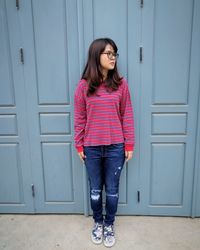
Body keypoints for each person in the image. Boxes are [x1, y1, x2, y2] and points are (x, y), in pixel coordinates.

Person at [74, 38, 135, 247]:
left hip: (116, 147)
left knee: (112, 190)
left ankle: (109, 225)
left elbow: (127, 115)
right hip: (91, 147)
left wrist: (129, 144)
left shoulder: (121, 85)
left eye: (114, 53)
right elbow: (79, 118)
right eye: (108, 53)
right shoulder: (83, 87)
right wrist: (79, 145)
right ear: (96, 56)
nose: (113, 57)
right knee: (94, 191)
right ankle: (97, 222)